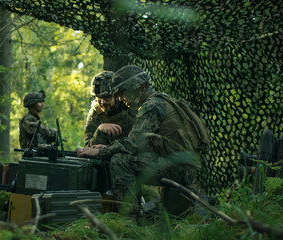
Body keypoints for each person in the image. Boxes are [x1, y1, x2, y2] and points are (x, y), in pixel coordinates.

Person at [78, 65, 207, 216]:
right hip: (180, 164)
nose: (120, 98)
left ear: (139, 88)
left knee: (120, 160)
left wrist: (101, 151)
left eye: (123, 93)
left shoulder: (151, 106)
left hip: (179, 168)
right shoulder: (159, 100)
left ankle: (130, 220)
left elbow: (134, 144)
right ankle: (145, 211)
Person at [84, 71, 137, 147]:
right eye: (99, 98)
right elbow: (88, 148)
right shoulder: (96, 112)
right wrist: (100, 130)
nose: (103, 102)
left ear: (116, 95)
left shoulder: (129, 106)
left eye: (107, 97)